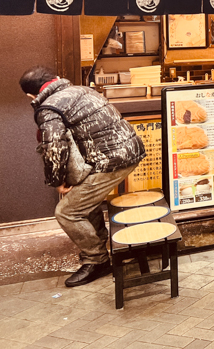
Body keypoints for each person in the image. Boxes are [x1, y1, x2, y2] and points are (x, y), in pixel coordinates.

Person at [21, 66, 145, 287]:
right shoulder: (82, 90)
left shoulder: (49, 107)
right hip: (128, 151)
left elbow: (54, 148)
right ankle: (98, 246)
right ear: (56, 79)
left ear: (32, 95)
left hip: (111, 162)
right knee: (84, 201)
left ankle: (97, 260)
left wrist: (57, 182)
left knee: (66, 212)